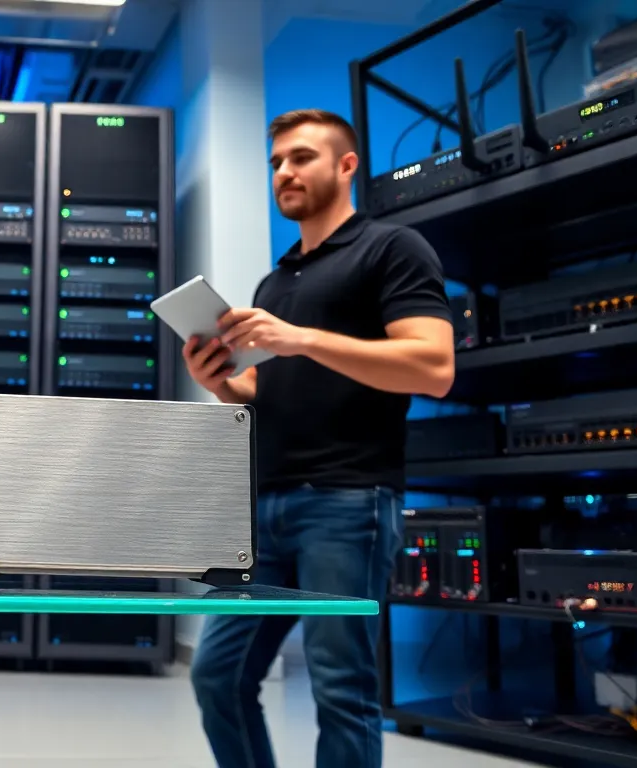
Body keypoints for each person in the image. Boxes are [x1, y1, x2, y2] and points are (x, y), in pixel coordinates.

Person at [185, 108, 455, 768]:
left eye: (301, 157)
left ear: (345, 165)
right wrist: (221, 383)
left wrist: (298, 337)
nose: (284, 172)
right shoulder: (275, 282)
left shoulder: (392, 249)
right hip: (266, 507)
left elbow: (435, 366)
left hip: (348, 503)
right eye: (276, 163)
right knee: (216, 674)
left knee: (342, 692)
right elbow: (271, 390)